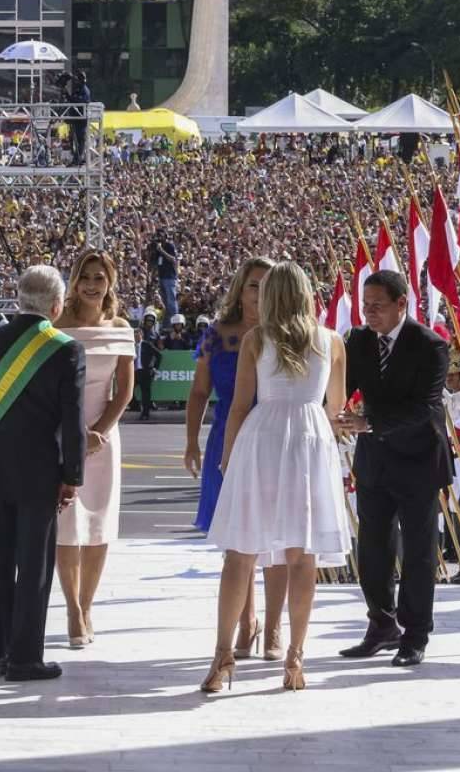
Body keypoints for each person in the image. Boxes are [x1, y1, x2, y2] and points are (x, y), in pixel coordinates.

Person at [201, 261, 350, 693]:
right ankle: (294, 657)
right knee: (302, 556)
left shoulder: (255, 339)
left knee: (240, 552)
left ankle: (223, 658)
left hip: (261, 439)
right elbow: (336, 408)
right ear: (306, 293)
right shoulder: (331, 341)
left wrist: (228, 458)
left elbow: (239, 406)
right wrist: (332, 426)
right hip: (309, 440)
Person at [0, 265, 86, 681]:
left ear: (18, 298)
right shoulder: (65, 348)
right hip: (39, 472)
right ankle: (25, 657)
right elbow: (72, 421)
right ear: (57, 305)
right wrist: (73, 475)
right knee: (34, 566)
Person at [335, 269, 451, 667]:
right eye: (365, 305)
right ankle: (381, 623)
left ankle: (415, 634)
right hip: (374, 460)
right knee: (373, 547)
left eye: (378, 306)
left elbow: (425, 406)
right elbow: (342, 387)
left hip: (418, 459)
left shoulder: (430, 345)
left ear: (402, 303)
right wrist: (332, 413)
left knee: (418, 551)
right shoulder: (358, 341)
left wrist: (370, 422)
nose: (369, 313)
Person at [184, 258, 288, 659]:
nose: (258, 294)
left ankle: (276, 627)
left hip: (276, 438)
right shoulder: (218, 335)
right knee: (237, 539)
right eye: (252, 286)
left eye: (266, 286)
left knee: (277, 536)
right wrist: (191, 442)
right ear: (239, 290)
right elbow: (198, 393)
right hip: (229, 436)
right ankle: (247, 622)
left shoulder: (286, 335)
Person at [53, 251, 134, 647]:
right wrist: (72, 434)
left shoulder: (121, 328)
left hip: (104, 438)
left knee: (99, 525)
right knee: (67, 526)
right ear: (73, 280)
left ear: (110, 282)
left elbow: (125, 391)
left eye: (99, 277)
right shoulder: (56, 326)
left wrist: (98, 431)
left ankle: (88, 605)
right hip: (60, 436)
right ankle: (70, 609)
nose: (91, 284)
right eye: (85, 276)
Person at [135, 310, 162, 420]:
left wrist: (155, 367)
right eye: (135, 334)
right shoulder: (131, 345)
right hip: (135, 371)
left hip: (146, 371)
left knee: (146, 393)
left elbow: (159, 354)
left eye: (138, 334)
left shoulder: (148, 343)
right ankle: (135, 406)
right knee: (126, 390)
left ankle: (145, 413)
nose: (137, 336)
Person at [148, 231, 180, 322]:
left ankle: (175, 320)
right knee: (164, 301)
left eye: (160, 236)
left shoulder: (169, 246)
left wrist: (161, 250)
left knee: (171, 300)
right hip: (161, 277)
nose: (159, 238)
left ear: (165, 236)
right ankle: (167, 321)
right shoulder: (157, 248)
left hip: (170, 277)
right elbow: (154, 264)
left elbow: (173, 259)